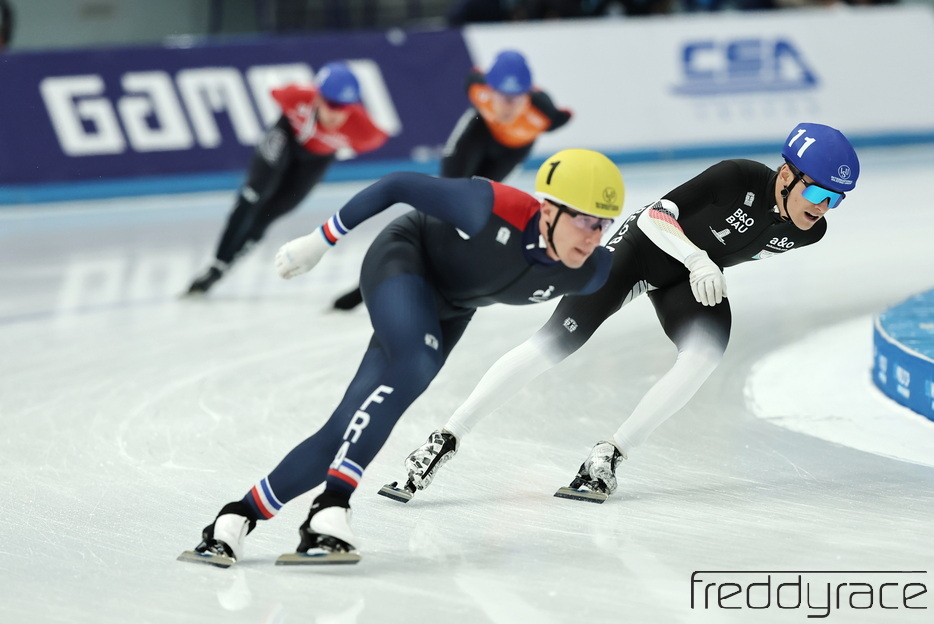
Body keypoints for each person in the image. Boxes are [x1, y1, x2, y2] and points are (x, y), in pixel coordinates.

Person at [179, 148, 625, 566]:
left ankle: (235, 517)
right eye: (584, 220)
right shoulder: (490, 207)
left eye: (603, 225)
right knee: (416, 362)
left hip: (451, 310)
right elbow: (396, 184)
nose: (593, 236)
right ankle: (330, 507)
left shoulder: (591, 272)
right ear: (548, 210)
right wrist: (320, 239)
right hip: (404, 259)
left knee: (347, 425)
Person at [395, 121, 860, 504]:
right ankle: (447, 437)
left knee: (705, 354)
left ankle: (609, 454)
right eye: (820, 194)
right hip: (641, 252)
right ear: (786, 175)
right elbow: (655, 216)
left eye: (836, 200)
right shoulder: (736, 177)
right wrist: (698, 258)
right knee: (556, 341)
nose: (824, 209)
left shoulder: (808, 232)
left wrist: (699, 266)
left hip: (688, 277)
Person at [331, 49, 572, 310]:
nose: (507, 107)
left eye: (516, 100)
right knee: (437, 206)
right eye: (501, 97)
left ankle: (442, 277)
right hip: (478, 133)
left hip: (511, 153)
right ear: (489, 90)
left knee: (479, 214)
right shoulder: (476, 86)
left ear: (528, 95)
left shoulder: (545, 112)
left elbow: (565, 116)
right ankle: (374, 280)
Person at [184, 62, 388, 295]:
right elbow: (274, 91)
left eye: (344, 106)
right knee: (253, 195)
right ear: (317, 97)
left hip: (315, 161)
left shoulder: (365, 131)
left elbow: (375, 141)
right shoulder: (293, 96)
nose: (337, 113)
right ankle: (217, 261)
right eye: (331, 104)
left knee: (269, 213)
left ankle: (219, 270)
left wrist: (340, 148)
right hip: (286, 137)